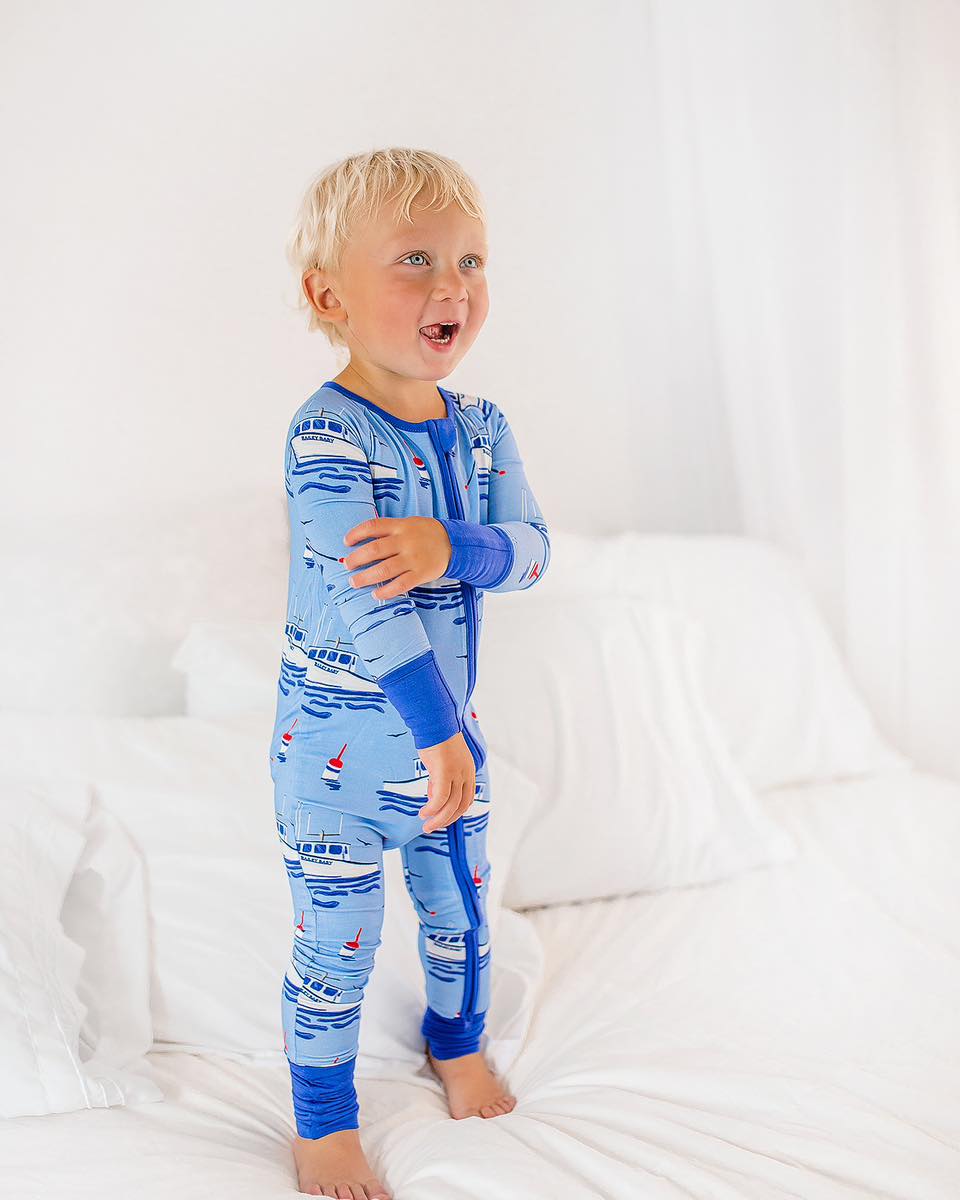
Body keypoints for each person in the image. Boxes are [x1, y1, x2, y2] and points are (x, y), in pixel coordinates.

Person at [270, 147, 550, 1198]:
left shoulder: (482, 429)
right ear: (327, 294)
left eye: (473, 261)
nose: (453, 287)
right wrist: (438, 735)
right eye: (418, 259)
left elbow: (531, 550)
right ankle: (324, 1117)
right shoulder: (325, 438)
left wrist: (451, 547)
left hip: (450, 757)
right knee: (336, 947)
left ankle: (457, 1042)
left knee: (460, 915)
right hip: (337, 768)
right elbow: (361, 603)